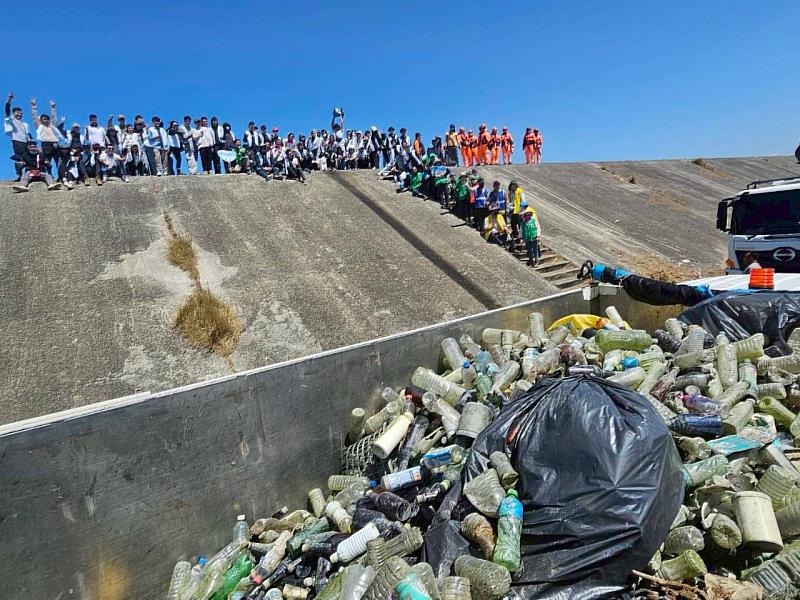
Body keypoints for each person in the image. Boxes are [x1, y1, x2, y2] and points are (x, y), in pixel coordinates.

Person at [30, 98, 63, 175]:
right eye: (44, 119)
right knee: (47, 161)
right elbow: (35, 117)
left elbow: (53, 117)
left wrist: (53, 108)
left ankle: (61, 176)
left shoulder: (52, 126)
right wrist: (33, 106)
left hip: (55, 144)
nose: (46, 120)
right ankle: (49, 175)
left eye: (47, 119)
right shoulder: (39, 126)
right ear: (41, 120)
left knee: (58, 160)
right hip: (45, 145)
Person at [5, 92, 32, 180]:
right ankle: (19, 175)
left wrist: (31, 141)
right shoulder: (11, 120)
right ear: (13, 113)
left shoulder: (24, 124)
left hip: (26, 143)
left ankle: (27, 174)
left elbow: (28, 134)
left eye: (21, 113)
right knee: (20, 158)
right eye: (17, 113)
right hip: (17, 141)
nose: (19, 114)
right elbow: (7, 110)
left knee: (29, 158)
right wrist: (9, 99)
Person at [520, 201, 541, 266]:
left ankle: (536, 262)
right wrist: (521, 238)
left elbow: (538, 228)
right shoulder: (523, 223)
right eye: (526, 215)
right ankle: (532, 262)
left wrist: (538, 236)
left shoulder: (533, 220)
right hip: (527, 238)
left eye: (529, 215)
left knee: (535, 250)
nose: (528, 216)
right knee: (530, 251)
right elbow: (521, 231)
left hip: (534, 237)